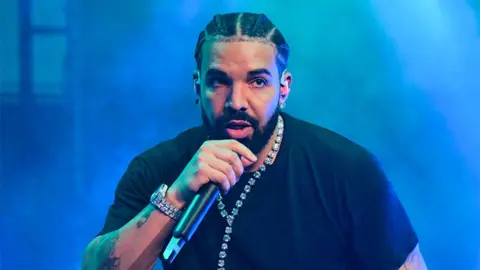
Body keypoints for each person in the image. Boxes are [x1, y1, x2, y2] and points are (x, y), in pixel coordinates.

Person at [81, 12, 428, 270]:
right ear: (197, 86)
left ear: (284, 88)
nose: (236, 101)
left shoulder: (347, 170)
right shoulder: (157, 167)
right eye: (219, 82)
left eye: (257, 82)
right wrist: (176, 195)